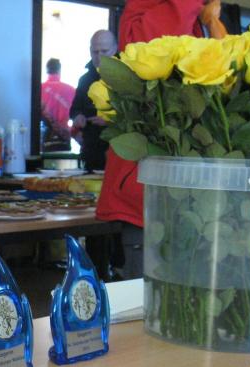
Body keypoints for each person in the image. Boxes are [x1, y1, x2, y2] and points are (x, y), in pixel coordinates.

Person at [96, 0, 224, 280]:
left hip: (182, 190)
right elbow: (160, 49)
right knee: (149, 294)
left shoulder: (199, 15)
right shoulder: (152, 11)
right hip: (148, 194)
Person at [69, 30, 117, 172]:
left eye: (104, 51)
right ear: (90, 51)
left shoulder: (127, 77)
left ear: (115, 49)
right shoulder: (85, 80)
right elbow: (74, 109)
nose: (99, 56)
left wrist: (110, 120)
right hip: (91, 148)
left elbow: (136, 116)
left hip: (117, 150)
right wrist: (77, 117)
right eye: (95, 52)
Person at [40, 58, 75, 152]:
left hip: (46, 136)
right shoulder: (71, 90)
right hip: (64, 136)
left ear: (46, 70)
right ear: (59, 70)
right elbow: (76, 115)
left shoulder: (39, 88)